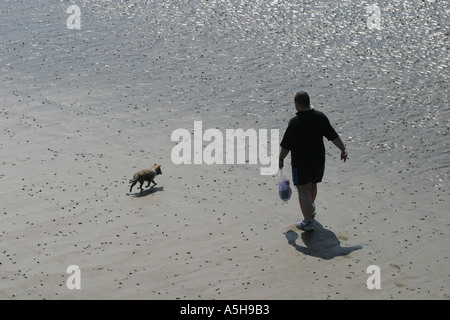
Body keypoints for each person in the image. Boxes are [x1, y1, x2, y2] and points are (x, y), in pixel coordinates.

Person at [279, 91, 347, 231]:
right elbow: (332, 135)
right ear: (308, 102)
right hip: (318, 161)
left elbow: (286, 145)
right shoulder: (320, 117)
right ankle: (310, 209)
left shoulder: (295, 122)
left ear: (297, 104)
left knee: (303, 190)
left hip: (301, 163)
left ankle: (308, 221)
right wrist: (343, 149)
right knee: (313, 185)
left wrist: (280, 159)